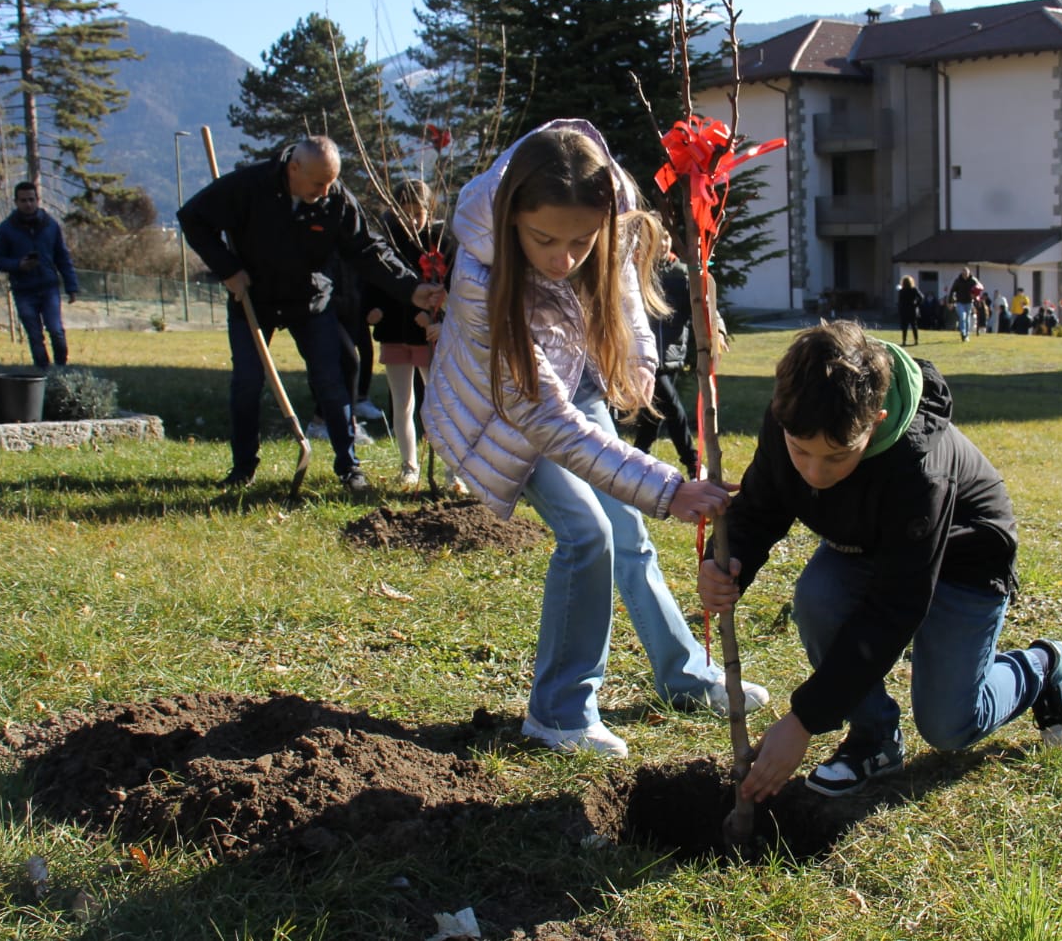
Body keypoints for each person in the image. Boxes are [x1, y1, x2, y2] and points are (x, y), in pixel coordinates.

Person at [424, 120, 767, 758]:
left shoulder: (604, 226)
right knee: (589, 535)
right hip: (502, 415)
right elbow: (546, 420)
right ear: (509, 221)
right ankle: (558, 713)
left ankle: (684, 675)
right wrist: (669, 488)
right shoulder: (480, 278)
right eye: (544, 239)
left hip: (569, 390)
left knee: (629, 533)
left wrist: (640, 366)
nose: (563, 258)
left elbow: (625, 298)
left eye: (581, 242)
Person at [697, 321, 1062, 800]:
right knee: (818, 597)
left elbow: (896, 606)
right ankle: (874, 739)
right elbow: (762, 506)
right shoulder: (793, 416)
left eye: (838, 457)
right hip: (872, 549)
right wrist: (728, 562)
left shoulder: (918, 469)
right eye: (801, 452)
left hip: (964, 561)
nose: (815, 474)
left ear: (876, 422)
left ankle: (1042, 666)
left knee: (949, 727)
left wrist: (804, 720)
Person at [178, 135, 444, 497]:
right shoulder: (248, 186)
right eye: (319, 182)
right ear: (293, 168)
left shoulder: (334, 198)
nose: (326, 190)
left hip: (310, 300)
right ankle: (243, 468)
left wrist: (411, 288)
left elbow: (367, 248)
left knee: (332, 385)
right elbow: (192, 218)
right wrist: (227, 269)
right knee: (246, 384)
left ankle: (348, 467)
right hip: (252, 300)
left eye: (331, 181)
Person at [366, 177, 450, 488]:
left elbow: (447, 287)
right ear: (394, 210)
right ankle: (409, 465)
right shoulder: (383, 243)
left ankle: (451, 467)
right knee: (401, 402)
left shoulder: (439, 242)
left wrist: (434, 318)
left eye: (419, 212)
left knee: (439, 402)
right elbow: (376, 282)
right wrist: (373, 309)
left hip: (429, 335)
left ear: (430, 210)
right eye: (406, 212)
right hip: (394, 331)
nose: (413, 219)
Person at [629, 211, 700, 479]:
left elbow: (700, 306)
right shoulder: (635, 273)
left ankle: (638, 458)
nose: (664, 244)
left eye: (667, 237)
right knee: (669, 407)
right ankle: (692, 463)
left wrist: (714, 330)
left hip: (669, 354)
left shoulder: (680, 274)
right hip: (646, 357)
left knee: (654, 412)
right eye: (657, 239)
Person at [0, 181, 80, 369]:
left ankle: (62, 369)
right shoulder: (6, 229)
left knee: (56, 330)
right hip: (23, 290)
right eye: (23, 200)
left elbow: (62, 257)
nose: (28, 204)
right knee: (35, 335)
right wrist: (18, 265)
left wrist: (72, 286)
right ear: (16, 202)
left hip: (48, 288)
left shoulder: (50, 226)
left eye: (31, 199)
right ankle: (43, 372)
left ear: (37, 200)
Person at [947, 266, 981, 342]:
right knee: (962, 317)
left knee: (967, 318)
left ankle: (967, 334)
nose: (965, 274)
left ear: (969, 273)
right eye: (963, 273)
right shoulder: (958, 281)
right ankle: (963, 333)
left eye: (966, 273)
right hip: (960, 302)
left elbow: (980, 288)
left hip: (969, 302)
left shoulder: (973, 280)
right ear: (962, 273)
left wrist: (976, 297)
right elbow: (952, 290)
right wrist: (950, 302)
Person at [896, 275, 923, 346]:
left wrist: (899, 310)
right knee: (914, 326)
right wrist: (916, 304)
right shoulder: (914, 289)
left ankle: (904, 340)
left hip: (904, 310)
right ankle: (916, 340)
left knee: (904, 326)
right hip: (912, 309)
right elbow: (921, 297)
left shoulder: (901, 291)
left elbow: (900, 301)